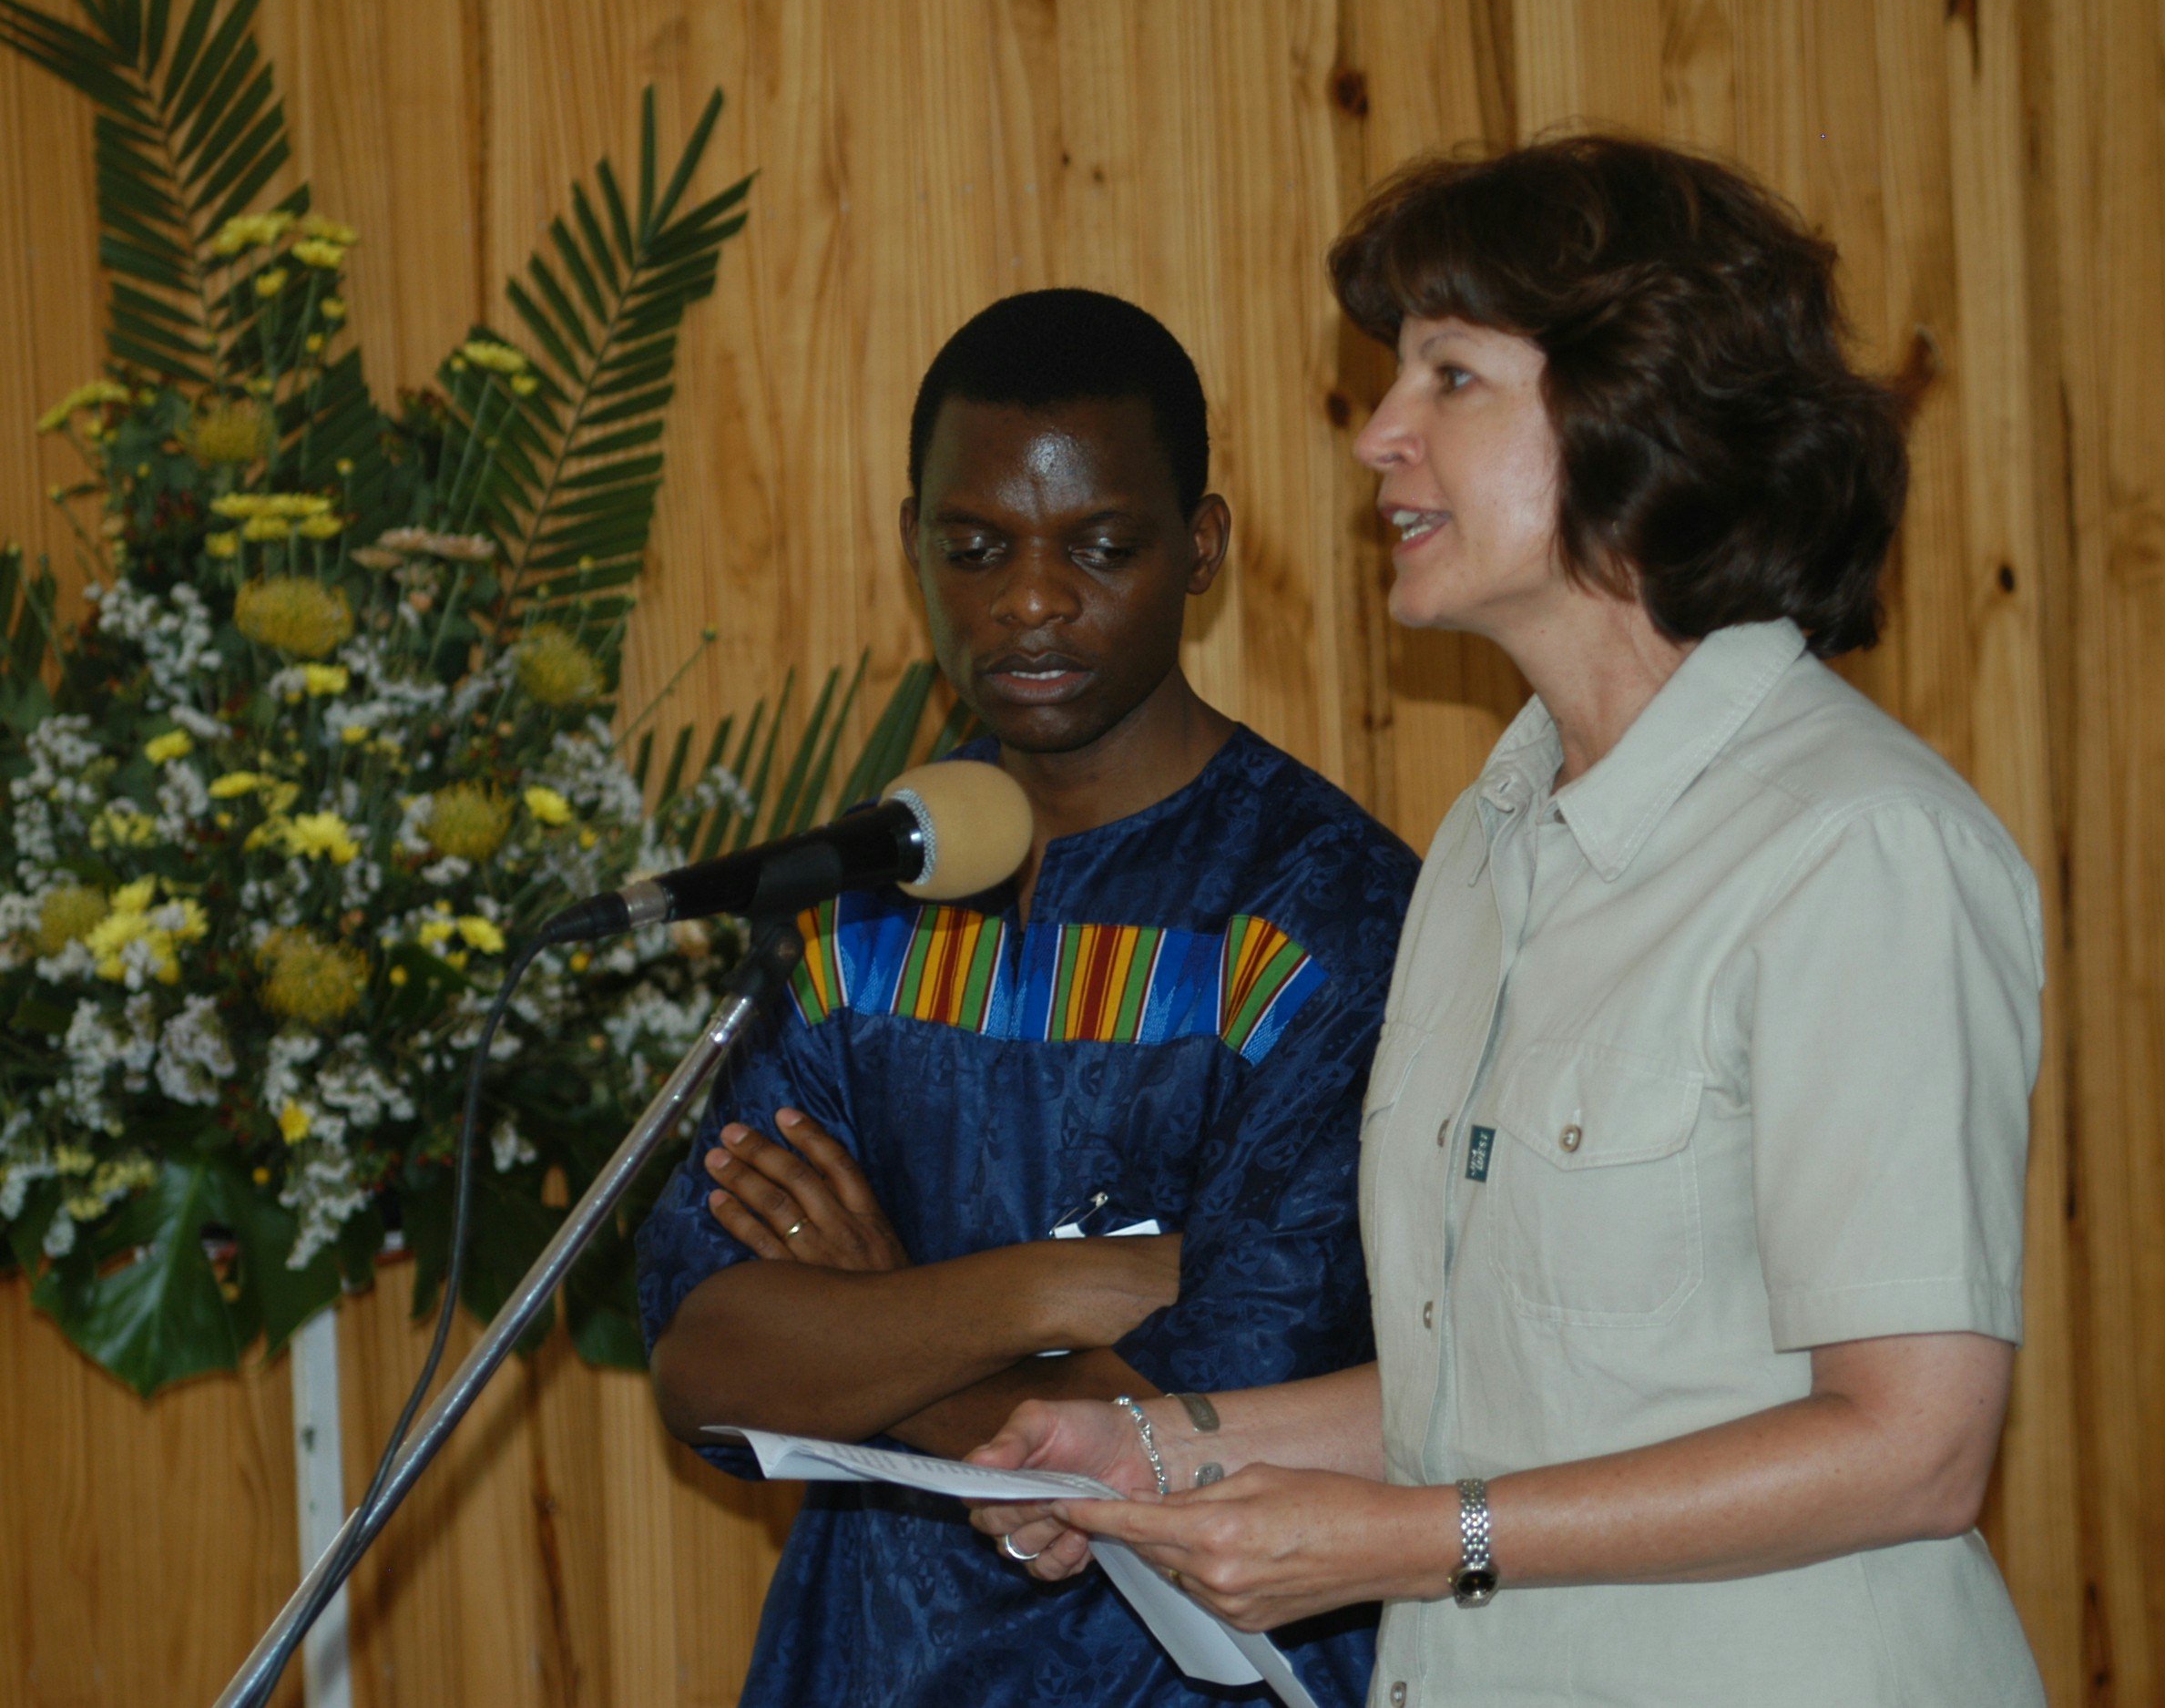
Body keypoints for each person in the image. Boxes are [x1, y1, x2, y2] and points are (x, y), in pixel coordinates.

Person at [971, 139, 2048, 1707]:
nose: (1378, 435)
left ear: (1635, 418)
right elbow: (1492, 1392)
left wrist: (1421, 1541)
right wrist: (1154, 1439)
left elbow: (1912, 1447)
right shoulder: (1486, 840)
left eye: (1451, 377)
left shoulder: (1856, 845)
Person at [636, 288, 1417, 1707]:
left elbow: (1203, 1430)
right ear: (912, 547)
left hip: (1196, 1673)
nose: (1032, 599)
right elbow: (710, 1359)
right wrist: (1043, 1287)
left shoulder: (1324, 916)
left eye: (1100, 546)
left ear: (1200, 547)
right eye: (975, 547)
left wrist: (876, 1320)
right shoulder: (865, 897)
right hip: (863, 1659)